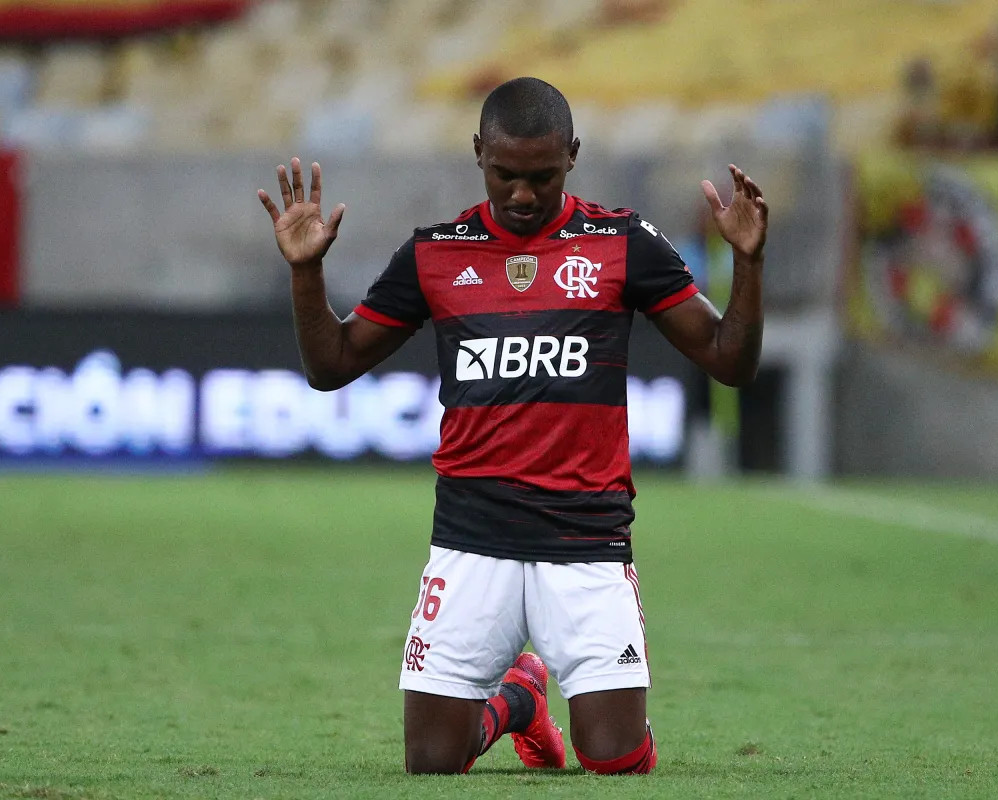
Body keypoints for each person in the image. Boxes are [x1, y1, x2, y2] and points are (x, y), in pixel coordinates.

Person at [257, 77, 768, 776]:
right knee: (432, 763)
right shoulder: (435, 253)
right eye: (505, 175)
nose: (523, 195)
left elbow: (729, 360)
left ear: (572, 156)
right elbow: (332, 364)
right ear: (478, 153)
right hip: (472, 540)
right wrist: (306, 273)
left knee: (616, 761)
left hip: (586, 541)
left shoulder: (622, 244)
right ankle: (519, 702)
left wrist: (748, 262)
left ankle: (548, 703)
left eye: (543, 177)